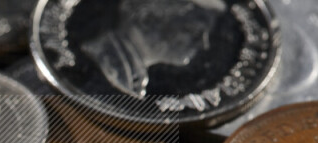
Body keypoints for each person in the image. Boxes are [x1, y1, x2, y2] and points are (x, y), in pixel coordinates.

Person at [82, 0, 227, 98]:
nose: (203, 45)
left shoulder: (134, 74)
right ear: (147, 19)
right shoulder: (97, 56)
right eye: (193, 31)